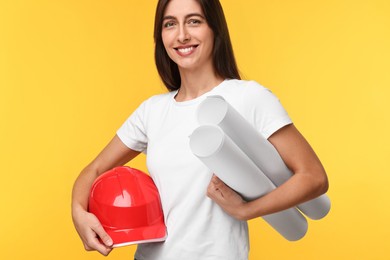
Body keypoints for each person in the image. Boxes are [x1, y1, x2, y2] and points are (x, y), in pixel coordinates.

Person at [71, 0, 329, 259]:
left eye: (194, 21)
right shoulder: (152, 111)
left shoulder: (248, 98)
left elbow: (313, 177)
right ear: (160, 36)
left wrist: (246, 210)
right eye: (170, 24)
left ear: (215, 29)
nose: (182, 35)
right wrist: (78, 213)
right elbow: (93, 170)